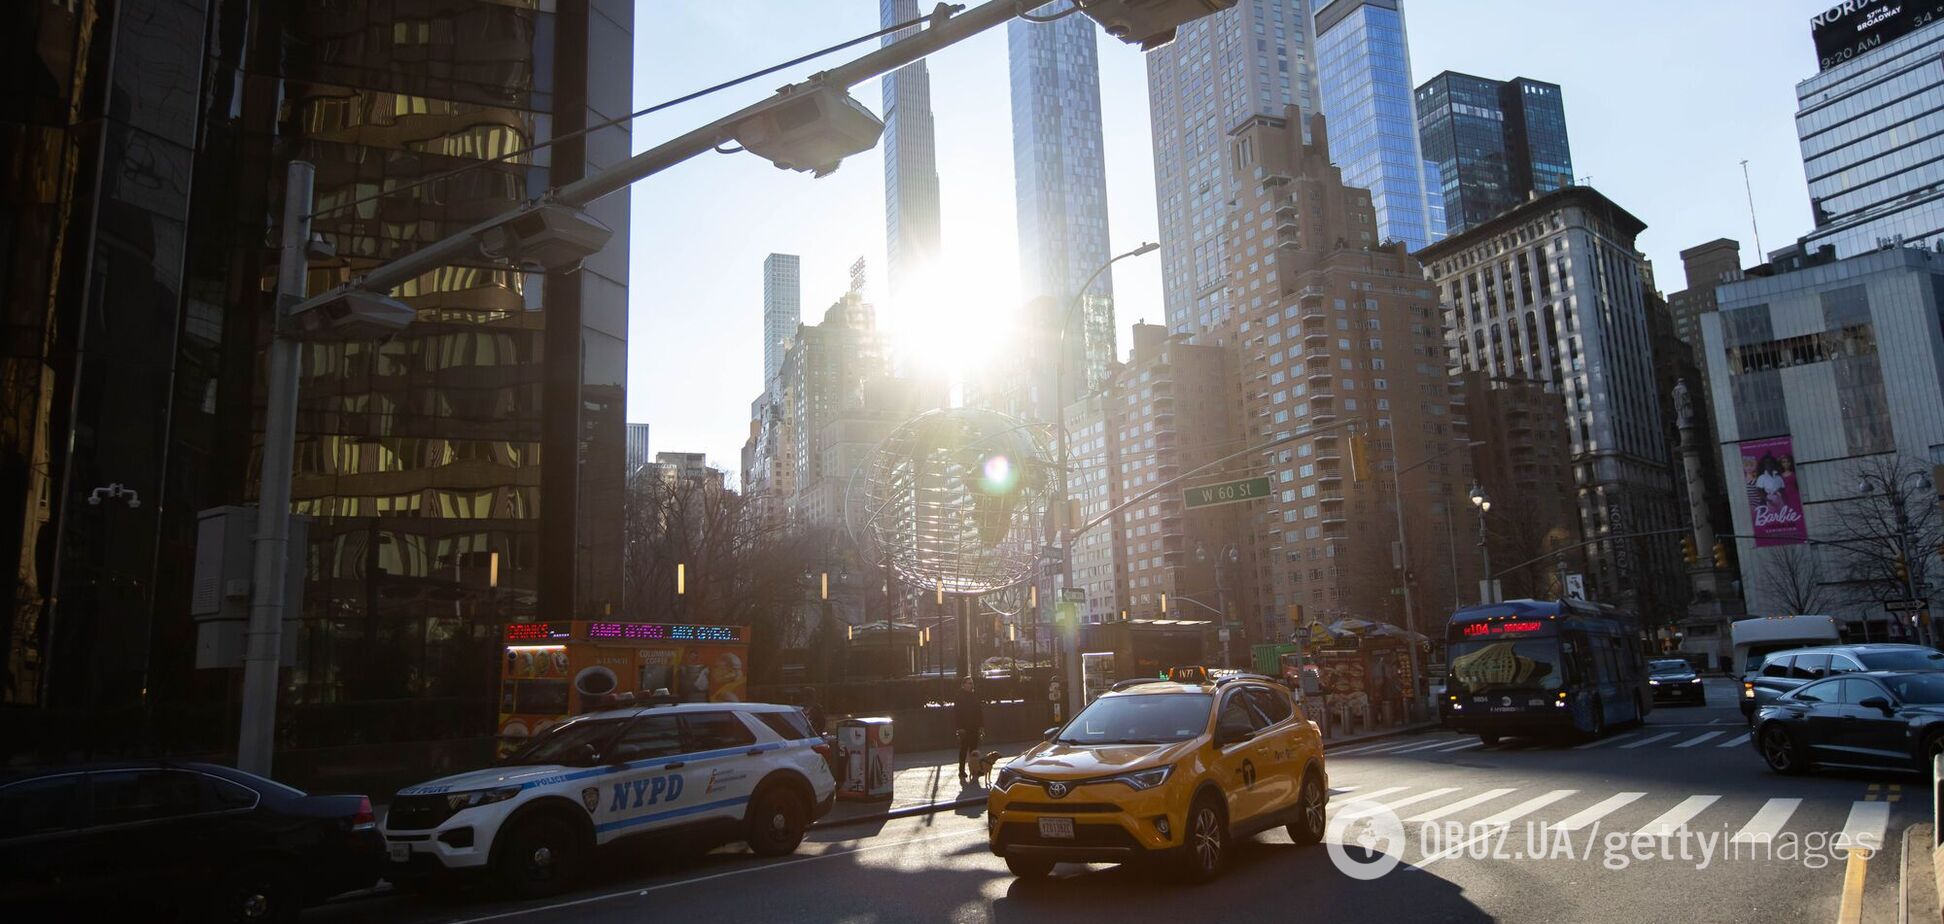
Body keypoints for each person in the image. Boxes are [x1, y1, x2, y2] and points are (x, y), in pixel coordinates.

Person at [955, 677, 984, 782]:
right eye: (969, 683)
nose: (971, 685)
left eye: (972, 683)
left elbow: (979, 712)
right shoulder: (959, 697)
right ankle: (961, 770)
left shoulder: (974, 696)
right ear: (963, 685)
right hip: (964, 728)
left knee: (974, 750)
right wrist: (959, 728)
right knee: (963, 749)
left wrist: (981, 726)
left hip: (974, 727)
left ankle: (975, 769)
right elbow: (957, 714)